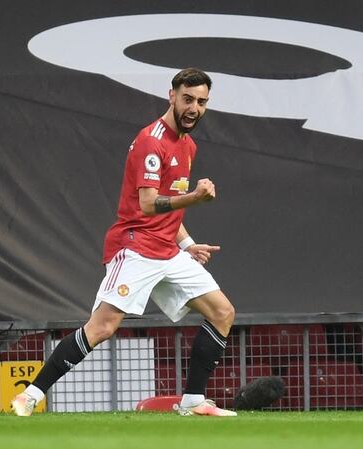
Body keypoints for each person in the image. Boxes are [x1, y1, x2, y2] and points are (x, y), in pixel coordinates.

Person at [12, 68, 236, 417]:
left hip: (168, 249)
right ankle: (32, 395)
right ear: (172, 96)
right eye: (188, 99)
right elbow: (148, 204)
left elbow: (169, 203)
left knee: (222, 312)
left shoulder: (187, 145)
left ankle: (193, 402)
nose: (194, 108)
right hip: (135, 246)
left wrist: (187, 243)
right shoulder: (152, 140)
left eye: (202, 102)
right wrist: (194, 198)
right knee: (102, 327)